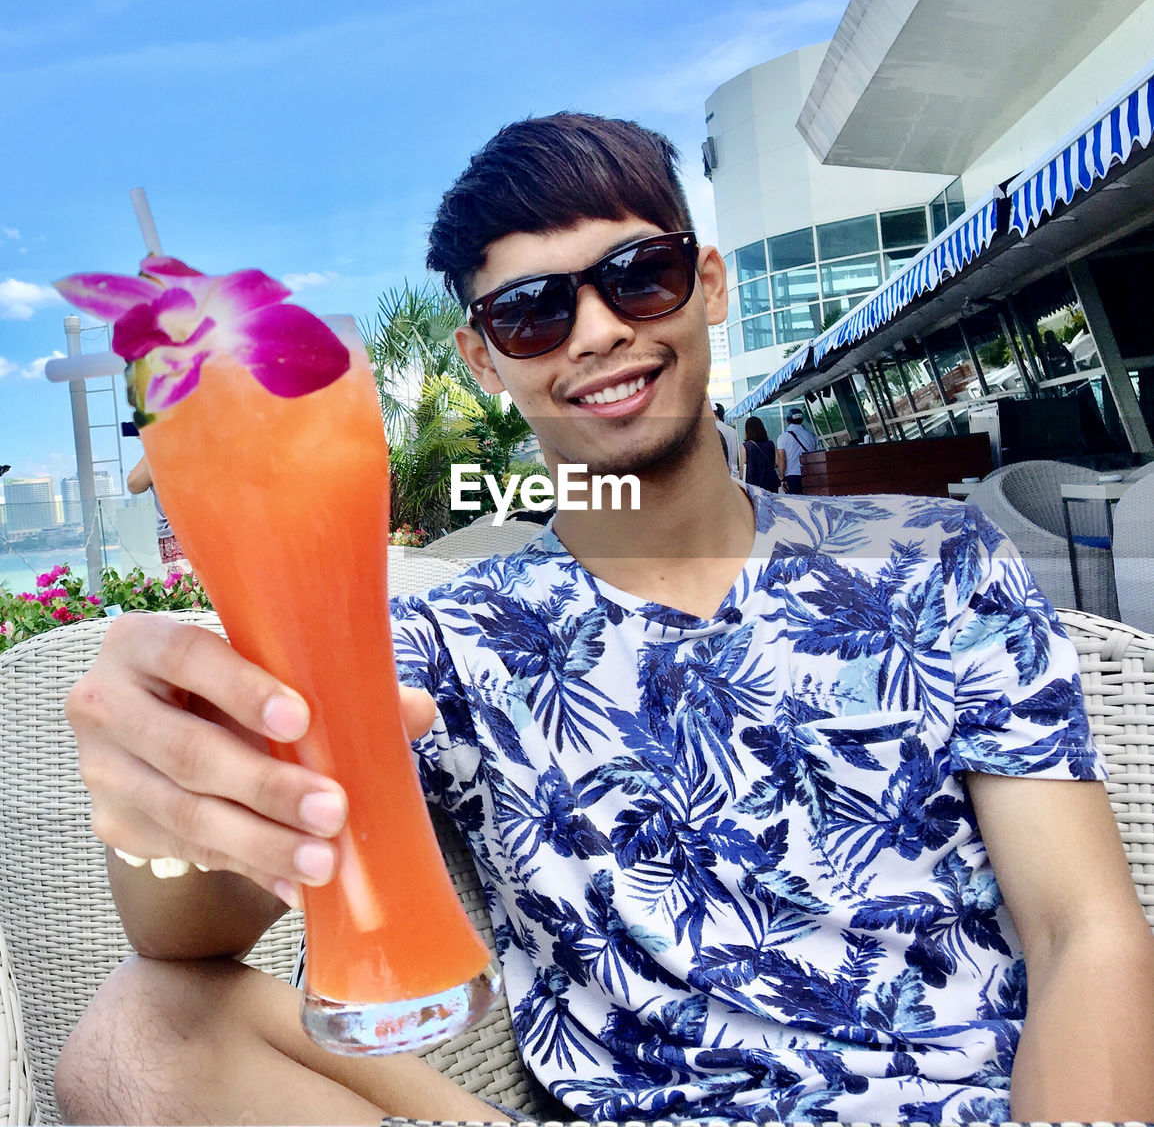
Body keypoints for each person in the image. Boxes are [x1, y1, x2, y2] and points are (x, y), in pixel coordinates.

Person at [56, 113, 1154, 1125]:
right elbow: (184, 935)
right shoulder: (453, 638)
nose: (593, 331)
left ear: (708, 284)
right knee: (132, 1038)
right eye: (531, 310)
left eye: (640, 274)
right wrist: (176, 796)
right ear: (481, 357)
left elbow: (1083, 933)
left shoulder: (934, 561)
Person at [126, 450, 190, 572]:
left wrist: (150, 438)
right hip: (197, 531)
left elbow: (134, 484)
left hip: (178, 536)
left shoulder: (158, 447)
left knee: (185, 588)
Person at [776, 406, 818, 495]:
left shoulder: (783, 437)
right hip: (810, 475)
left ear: (787, 421)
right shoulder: (812, 436)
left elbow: (782, 460)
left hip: (792, 477)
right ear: (802, 420)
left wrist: (782, 478)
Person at [737, 414, 779, 492]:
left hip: (753, 484)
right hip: (771, 483)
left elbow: (742, 468)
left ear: (747, 430)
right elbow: (777, 462)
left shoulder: (746, 446)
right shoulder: (771, 444)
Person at [713, 401, 739, 478]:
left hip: (719, 476)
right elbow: (735, 453)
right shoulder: (732, 430)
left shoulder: (711, 431)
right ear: (723, 415)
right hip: (733, 475)